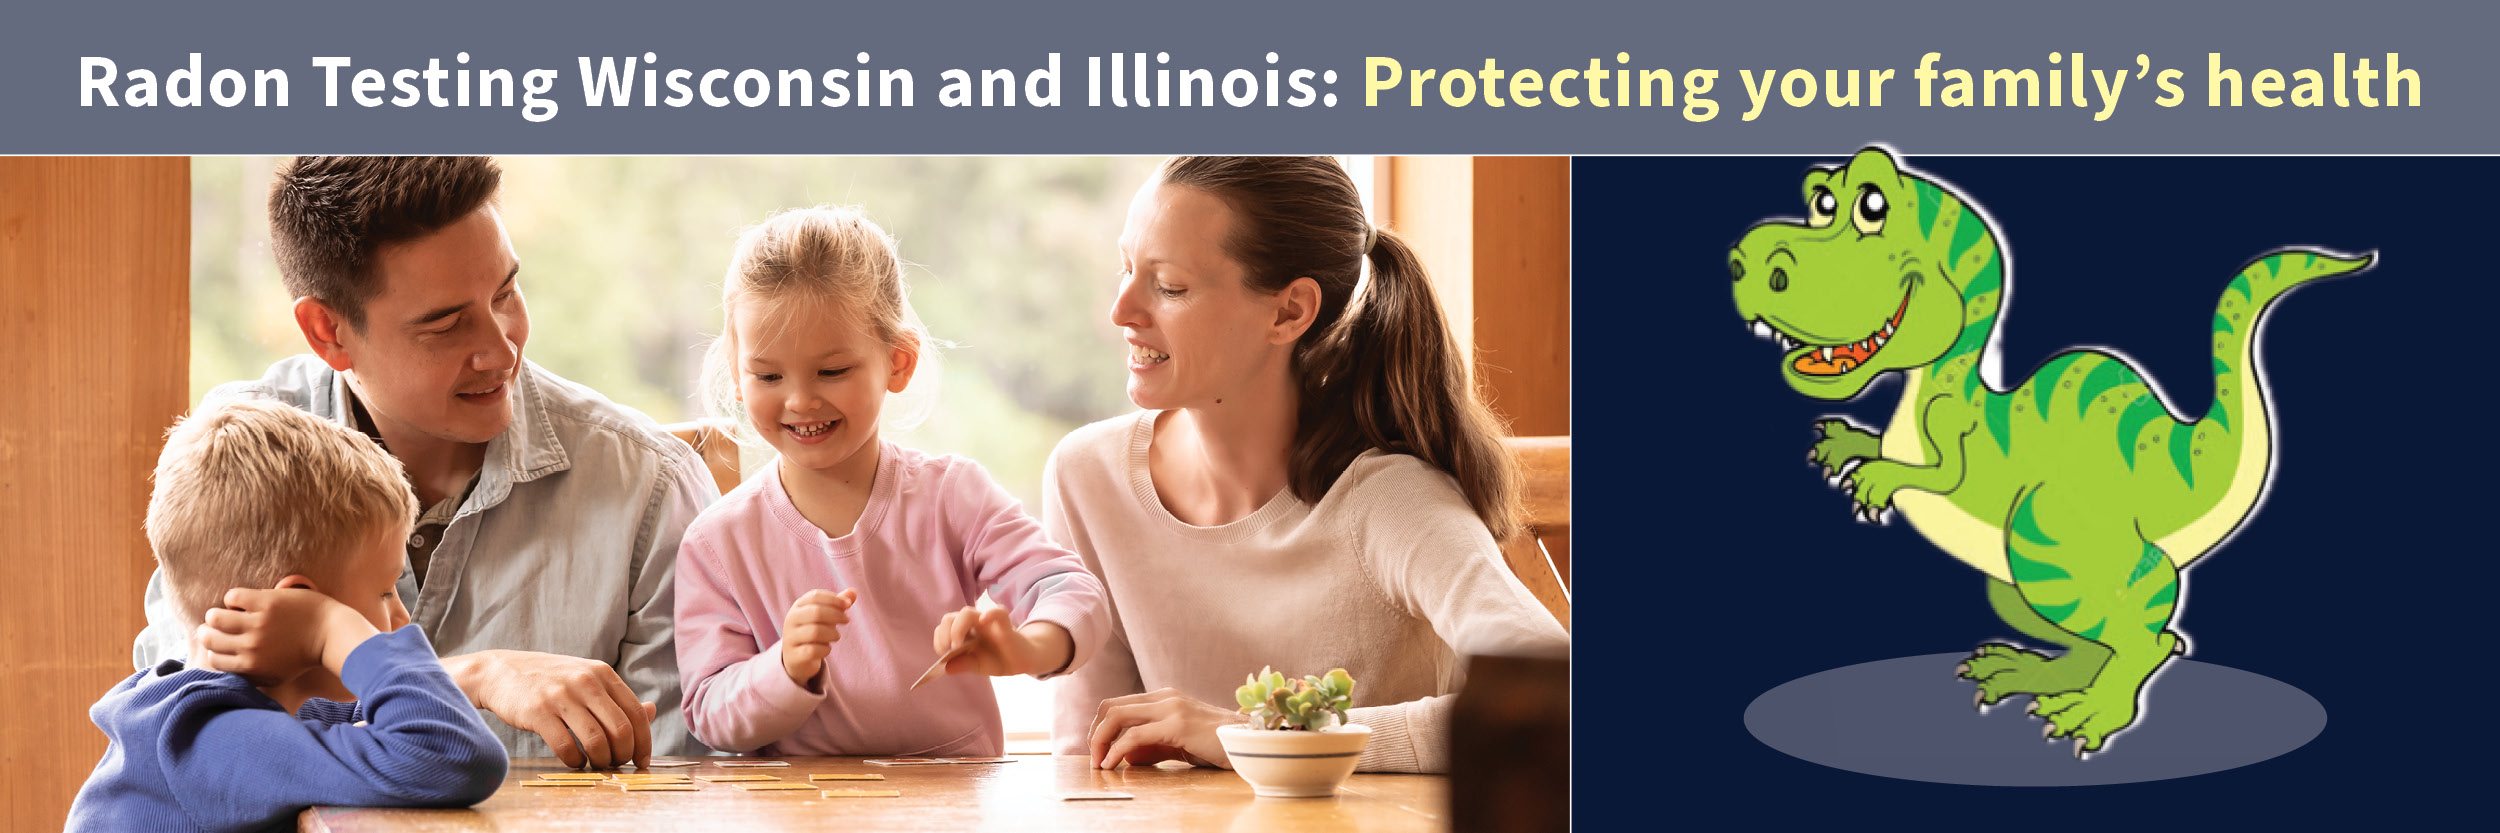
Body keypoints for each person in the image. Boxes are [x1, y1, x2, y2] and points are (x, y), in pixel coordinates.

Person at [131, 156, 715, 768]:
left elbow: (675, 781)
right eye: (444, 325)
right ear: (327, 330)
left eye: (506, 293)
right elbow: (188, 737)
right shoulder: (238, 461)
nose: (500, 349)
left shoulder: (650, 486)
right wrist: (479, 678)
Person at [1049, 156, 1572, 774]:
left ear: (1289, 312)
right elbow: (1091, 761)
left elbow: (1555, 704)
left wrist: (1256, 737)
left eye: (1169, 286)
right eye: (1127, 268)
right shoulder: (1089, 477)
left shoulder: (1389, 499)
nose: (1122, 311)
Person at [673, 206, 1111, 756]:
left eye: (832, 371)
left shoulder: (954, 495)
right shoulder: (717, 543)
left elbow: (1074, 592)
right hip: (799, 813)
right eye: (767, 375)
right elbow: (708, 712)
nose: (800, 399)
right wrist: (784, 666)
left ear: (898, 363)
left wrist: (1024, 649)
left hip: (953, 804)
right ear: (737, 375)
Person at [70, 400, 507, 832]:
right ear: (296, 603)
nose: (401, 619)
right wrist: (329, 627)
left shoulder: (252, 714)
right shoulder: (213, 742)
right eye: (384, 592)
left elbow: (415, 726)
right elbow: (453, 756)